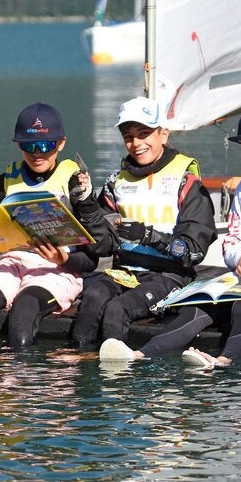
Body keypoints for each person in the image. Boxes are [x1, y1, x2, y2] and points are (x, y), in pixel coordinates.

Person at [97, 107, 241, 368]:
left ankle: (222, 360)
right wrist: (240, 257)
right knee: (198, 307)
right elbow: (232, 239)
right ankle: (138, 355)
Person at [0, 102, 99, 347]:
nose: (37, 153)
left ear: (61, 143)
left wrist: (63, 259)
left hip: (59, 268)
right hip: (11, 263)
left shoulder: (76, 184)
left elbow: (93, 257)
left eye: (45, 145)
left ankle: (23, 382)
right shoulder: (5, 181)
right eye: (28, 146)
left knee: (25, 308)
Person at [69, 96, 217, 353]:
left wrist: (150, 236)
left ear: (163, 134)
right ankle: (82, 373)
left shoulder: (186, 180)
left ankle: (120, 379)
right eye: (129, 136)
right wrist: (86, 204)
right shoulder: (117, 181)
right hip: (125, 271)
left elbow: (194, 251)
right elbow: (103, 245)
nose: (136, 144)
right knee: (92, 299)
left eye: (144, 133)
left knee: (117, 309)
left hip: (170, 275)